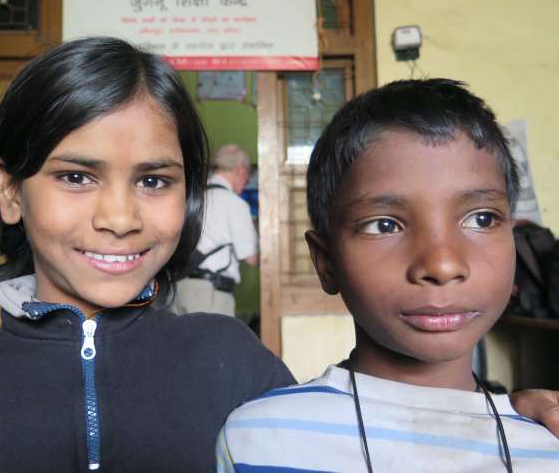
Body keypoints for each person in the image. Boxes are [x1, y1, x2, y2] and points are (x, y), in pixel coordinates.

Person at [0, 37, 294, 473]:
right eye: (75, 176)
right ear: (10, 192)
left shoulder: (238, 367)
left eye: (153, 182)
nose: (121, 218)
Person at [217, 79, 559, 472]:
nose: (442, 265)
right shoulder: (259, 442)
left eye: (481, 219)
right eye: (384, 225)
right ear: (326, 262)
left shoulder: (546, 443)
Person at [170, 144, 258, 317]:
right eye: (247, 178)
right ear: (240, 170)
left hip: (179, 289)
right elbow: (251, 258)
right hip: (210, 294)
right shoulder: (234, 204)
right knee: (213, 344)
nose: (245, 182)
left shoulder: (191, 198)